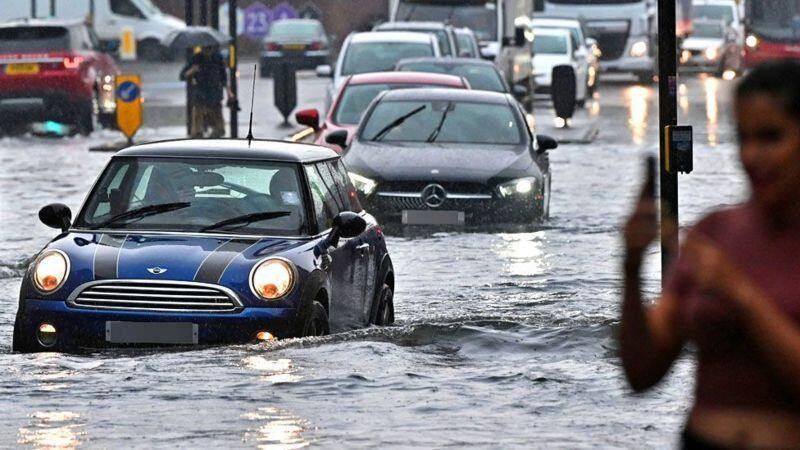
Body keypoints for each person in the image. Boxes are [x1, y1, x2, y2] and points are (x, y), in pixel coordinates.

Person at [621, 60, 800, 449]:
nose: (752, 156)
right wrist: (632, 265)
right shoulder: (714, 234)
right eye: (743, 139)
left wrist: (742, 297)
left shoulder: (722, 268)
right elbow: (641, 372)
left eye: (771, 137)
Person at [180, 44, 234, 138]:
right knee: (197, 130)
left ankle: (211, 139)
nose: (207, 51)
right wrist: (192, 71)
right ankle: (200, 136)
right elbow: (182, 76)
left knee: (219, 129)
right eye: (205, 49)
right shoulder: (196, 58)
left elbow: (223, 77)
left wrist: (229, 93)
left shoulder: (218, 58)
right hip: (201, 96)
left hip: (215, 95)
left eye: (209, 48)